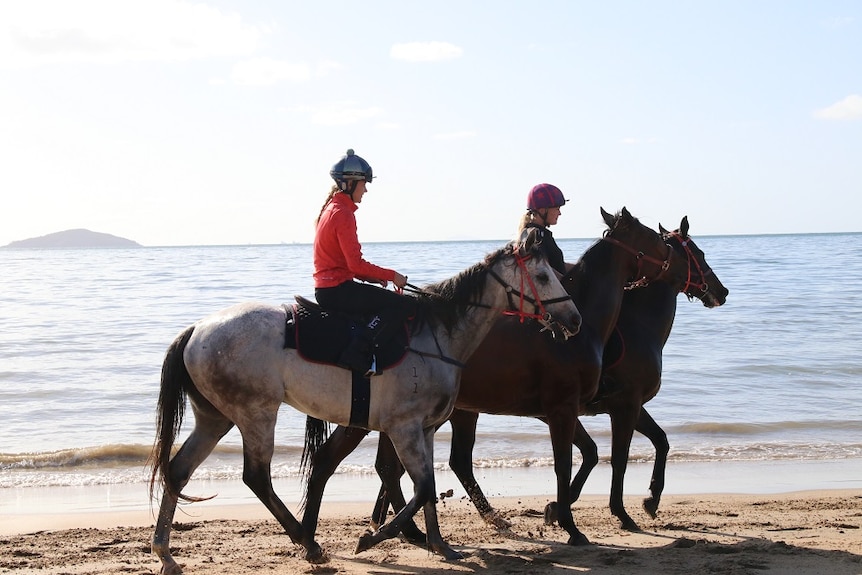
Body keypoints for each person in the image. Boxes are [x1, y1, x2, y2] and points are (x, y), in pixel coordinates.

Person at [313, 149, 416, 376]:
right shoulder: (343, 214)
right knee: (403, 305)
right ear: (349, 184)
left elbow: (347, 264)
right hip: (337, 290)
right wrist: (392, 275)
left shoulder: (332, 209)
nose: (366, 189)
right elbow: (355, 265)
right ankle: (357, 352)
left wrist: (373, 277)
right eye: (363, 183)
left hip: (329, 288)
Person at [517, 183, 574, 277]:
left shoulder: (542, 234)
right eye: (557, 208)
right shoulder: (535, 236)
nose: (559, 213)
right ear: (543, 210)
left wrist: (582, 269)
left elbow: (557, 265)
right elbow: (543, 269)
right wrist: (566, 285)